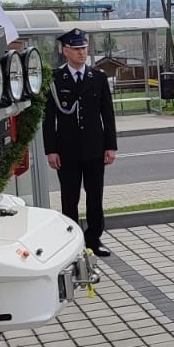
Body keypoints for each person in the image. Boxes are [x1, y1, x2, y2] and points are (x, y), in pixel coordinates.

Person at [44, 28, 119, 257]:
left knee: (95, 196)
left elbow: (107, 113)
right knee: (70, 198)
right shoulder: (55, 80)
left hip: (94, 148)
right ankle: (71, 243)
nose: (81, 53)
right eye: (76, 49)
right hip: (67, 151)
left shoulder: (97, 78)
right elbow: (49, 119)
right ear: (65, 51)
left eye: (84, 48)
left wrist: (110, 146)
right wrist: (51, 150)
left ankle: (94, 239)